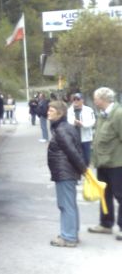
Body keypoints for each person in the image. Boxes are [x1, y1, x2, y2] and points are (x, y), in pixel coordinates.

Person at [47, 100, 87, 247]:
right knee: (70, 204)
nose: (48, 112)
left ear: (60, 113)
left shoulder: (62, 130)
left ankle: (69, 237)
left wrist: (84, 169)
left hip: (64, 173)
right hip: (66, 172)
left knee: (65, 205)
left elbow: (72, 151)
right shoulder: (66, 127)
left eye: (51, 110)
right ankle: (71, 233)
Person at [89, 87, 122, 239]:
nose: (94, 101)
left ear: (103, 99)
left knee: (120, 195)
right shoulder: (102, 115)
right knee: (104, 194)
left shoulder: (118, 114)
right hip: (103, 163)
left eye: (96, 98)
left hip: (117, 163)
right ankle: (106, 224)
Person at [67, 93, 96, 165]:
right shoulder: (69, 110)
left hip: (85, 138)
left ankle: (86, 171)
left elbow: (92, 122)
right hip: (74, 138)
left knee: (86, 158)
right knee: (76, 158)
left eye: (78, 99)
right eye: (74, 99)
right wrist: (74, 122)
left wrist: (82, 124)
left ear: (82, 100)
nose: (76, 101)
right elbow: (68, 120)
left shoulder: (89, 110)